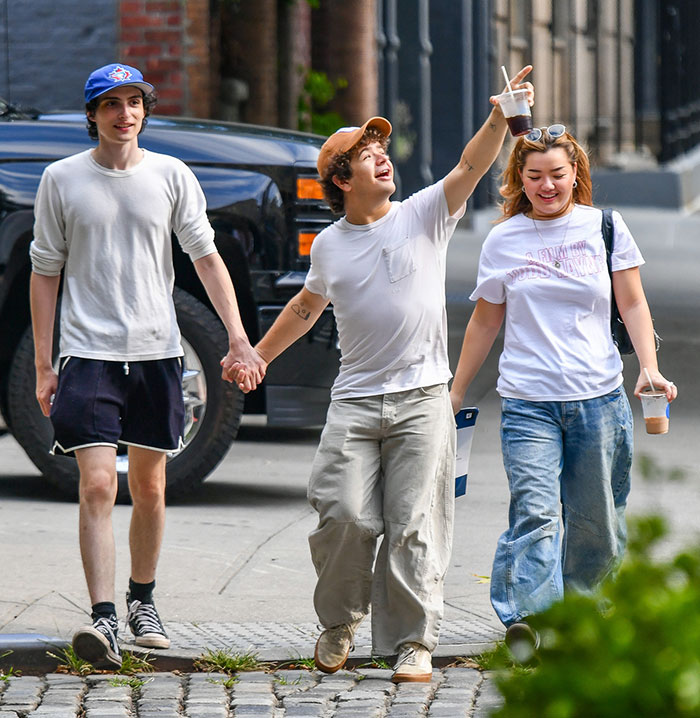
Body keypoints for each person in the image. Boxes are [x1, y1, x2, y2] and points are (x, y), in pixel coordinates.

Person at [229, 68, 534, 682]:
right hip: (355, 403)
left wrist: (500, 117)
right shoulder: (329, 247)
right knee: (344, 513)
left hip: (422, 397)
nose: (382, 161)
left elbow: (472, 166)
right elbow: (305, 307)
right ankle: (339, 621)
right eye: (367, 157)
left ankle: (412, 642)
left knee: (414, 522)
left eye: (382, 152)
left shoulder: (423, 214)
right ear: (341, 179)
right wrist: (256, 354)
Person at [29, 63, 264, 668]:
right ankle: (103, 617)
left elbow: (207, 259)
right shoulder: (60, 179)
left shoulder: (171, 175)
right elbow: (44, 271)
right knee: (99, 483)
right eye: (111, 104)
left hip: (157, 351)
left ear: (144, 110)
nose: (123, 114)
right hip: (87, 354)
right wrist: (42, 363)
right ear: (92, 115)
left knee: (152, 487)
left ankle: (143, 600)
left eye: (133, 102)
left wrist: (238, 339)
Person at [448, 124, 678, 654]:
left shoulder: (606, 228)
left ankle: (583, 615)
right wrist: (458, 390)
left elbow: (634, 304)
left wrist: (649, 366)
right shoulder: (503, 239)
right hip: (528, 401)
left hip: (598, 398)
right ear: (519, 180)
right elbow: (485, 321)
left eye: (557, 174)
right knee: (536, 509)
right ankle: (528, 618)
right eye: (535, 176)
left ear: (576, 173)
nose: (547, 185)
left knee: (596, 517)